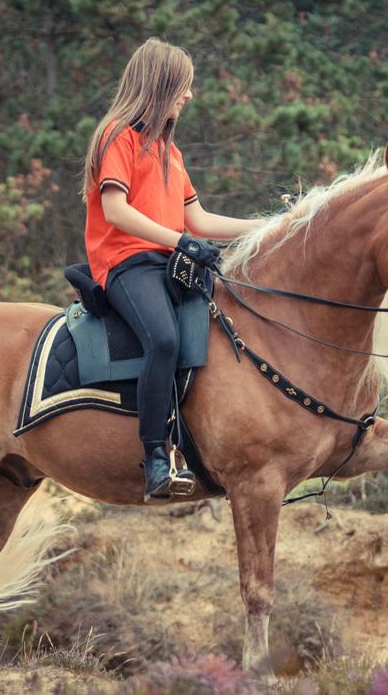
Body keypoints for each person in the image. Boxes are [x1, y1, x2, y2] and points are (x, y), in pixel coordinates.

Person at [83, 37, 264, 502]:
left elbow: (200, 220)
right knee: (163, 339)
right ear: (161, 86)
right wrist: (181, 241)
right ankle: (156, 458)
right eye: (183, 86)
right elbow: (117, 210)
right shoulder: (117, 136)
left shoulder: (171, 154)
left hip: (166, 261)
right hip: (126, 263)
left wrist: (272, 226)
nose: (189, 96)